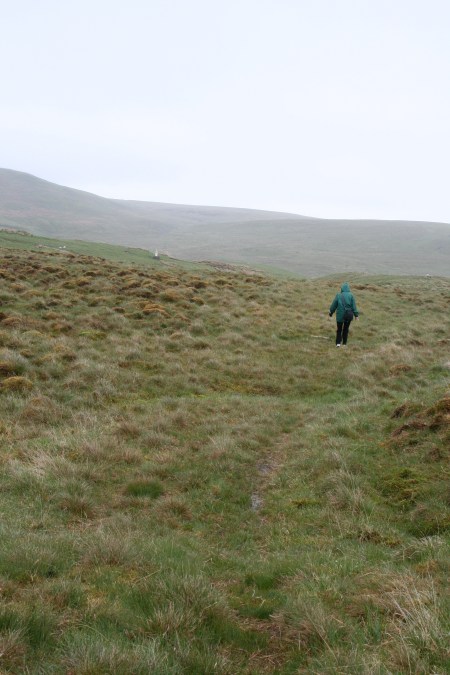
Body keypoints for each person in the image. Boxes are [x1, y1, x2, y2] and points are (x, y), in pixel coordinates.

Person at [329, 282, 359, 347]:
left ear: (342, 288)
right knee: (346, 329)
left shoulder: (338, 295)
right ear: (348, 288)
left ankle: (338, 344)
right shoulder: (351, 295)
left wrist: (331, 312)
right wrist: (356, 315)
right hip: (348, 316)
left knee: (339, 329)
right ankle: (344, 344)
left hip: (340, 316)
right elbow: (354, 306)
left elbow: (333, 305)